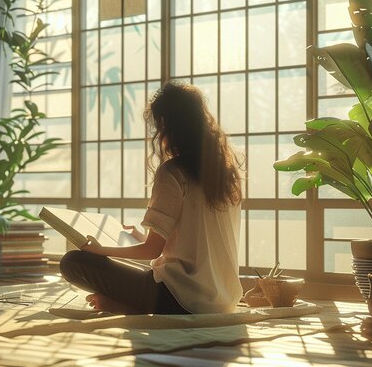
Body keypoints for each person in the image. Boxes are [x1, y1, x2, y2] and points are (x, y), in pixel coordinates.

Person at [59, 81, 243, 314]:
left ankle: (129, 307)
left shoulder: (173, 172)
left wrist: (99, 249)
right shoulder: (227, 175)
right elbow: (194, 241)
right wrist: (138, 237)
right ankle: (127, 305)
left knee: (73, 262)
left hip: (179, 299)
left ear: (166, 125)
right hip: (223, 302)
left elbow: (150, 252)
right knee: (143, 270)